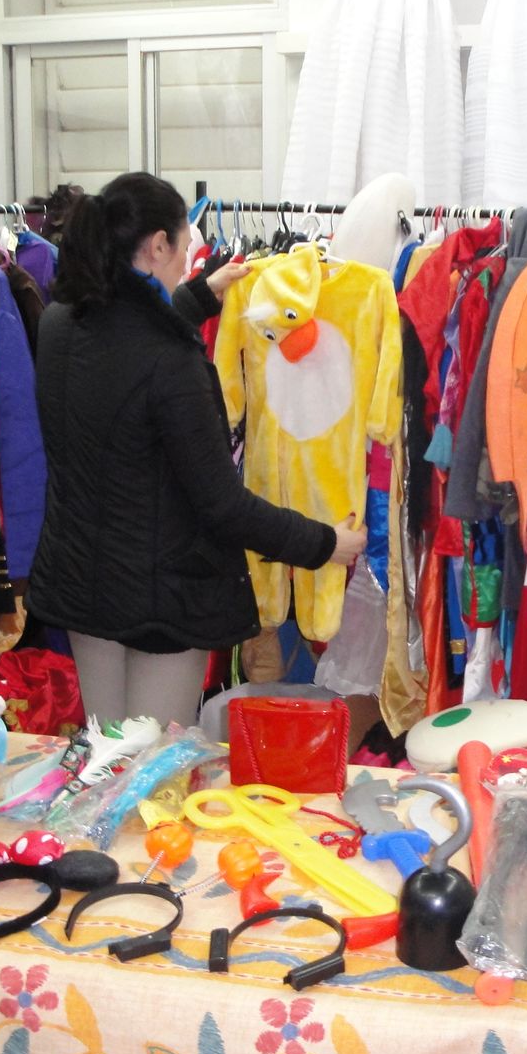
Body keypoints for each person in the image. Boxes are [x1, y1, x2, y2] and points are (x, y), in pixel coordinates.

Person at [28, 172, 366, 726]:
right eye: (185, 245)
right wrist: (325, 544)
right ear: (157, 245)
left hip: (80, 587)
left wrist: (198, 298)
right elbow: (222, 507)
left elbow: (124, 368)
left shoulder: (61, 324)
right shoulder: (170, 363)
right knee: (150, 775)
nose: (189, 256)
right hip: (160, 601)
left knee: (108, 759)